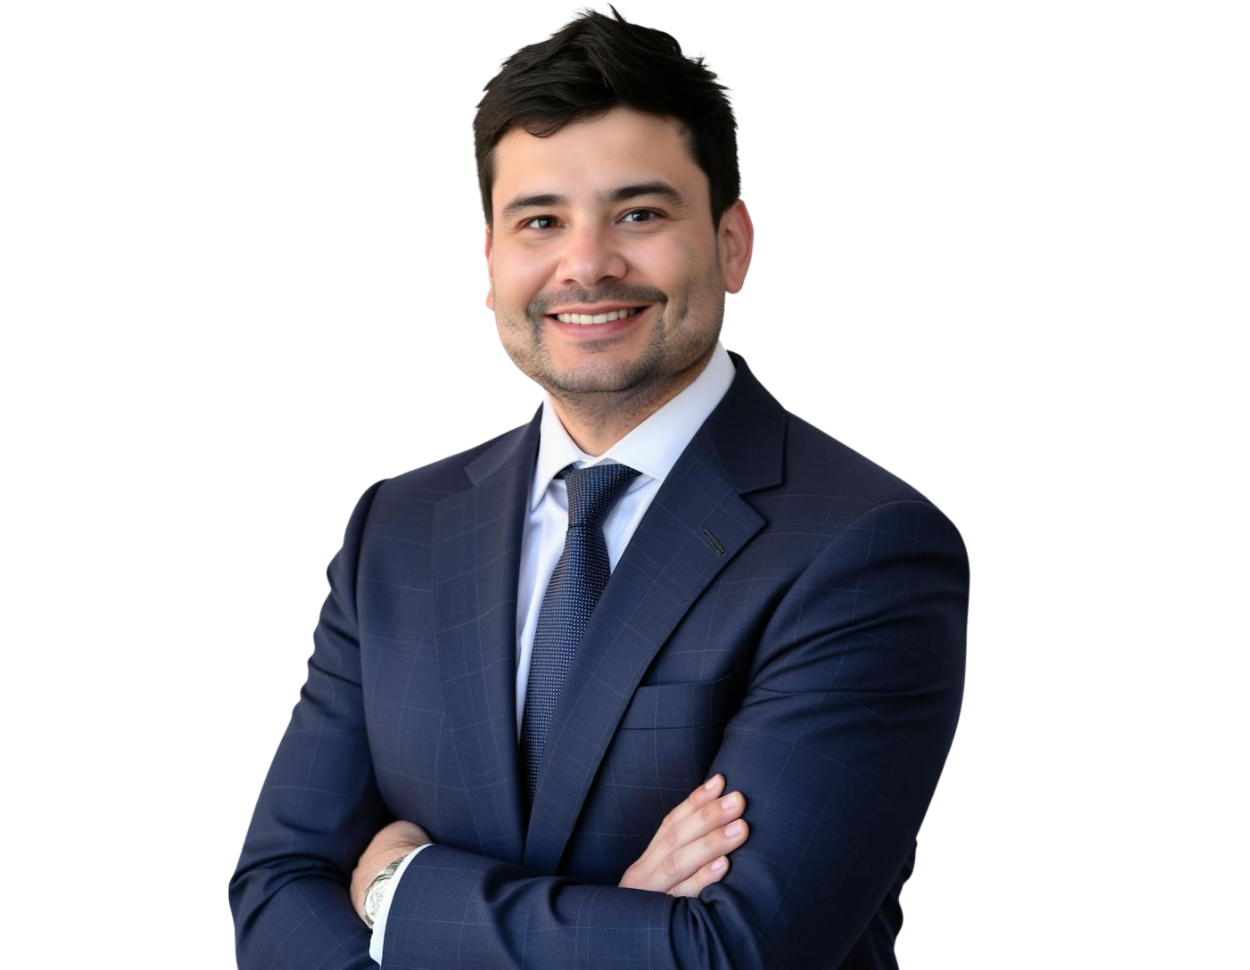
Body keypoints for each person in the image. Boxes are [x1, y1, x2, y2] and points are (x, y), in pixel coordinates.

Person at [228, 4, 970, 968]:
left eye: (640, 214)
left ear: (734, 243)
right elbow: (273, 894)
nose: (587, 265)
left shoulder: (865, 544)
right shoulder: (396, 529)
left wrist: (393, 890)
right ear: (490, 261)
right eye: (541, 221)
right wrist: (620, 921)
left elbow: (733, 955)